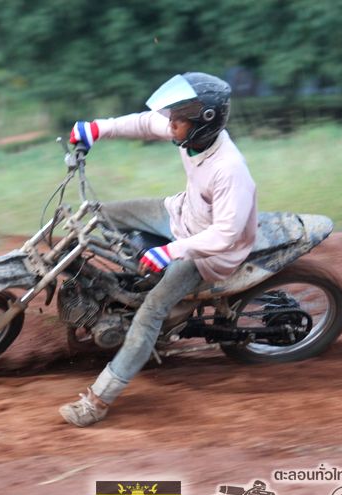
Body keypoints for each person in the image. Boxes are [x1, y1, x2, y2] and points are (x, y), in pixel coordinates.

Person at [59, 72, 258, 427]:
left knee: (151, 312)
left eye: (179, 119)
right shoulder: (191, 136)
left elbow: (226, 234)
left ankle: (98, 401)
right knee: (97, 215)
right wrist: (98, 128)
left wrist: (171, 252)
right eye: (173, 116)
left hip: (206, 253)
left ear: (203, 123)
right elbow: (146, 122)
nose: (171, 124)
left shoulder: (229, 170)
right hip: (180, 214)